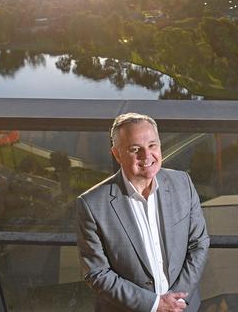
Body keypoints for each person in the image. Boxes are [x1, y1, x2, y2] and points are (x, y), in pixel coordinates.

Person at [77, 113, 209, 312]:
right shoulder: (92, 204)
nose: (146, 156)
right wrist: (155, 305)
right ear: (117, 154)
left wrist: (175, 301)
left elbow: (199, 243)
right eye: (134, 149)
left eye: (152, 145)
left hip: (182, 307)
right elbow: (97, 273)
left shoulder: (183, 183)